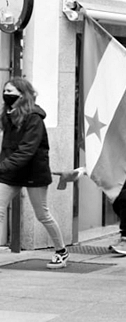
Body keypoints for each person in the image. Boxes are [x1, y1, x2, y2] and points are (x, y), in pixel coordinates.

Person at [0, 78, 68, 269]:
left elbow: (26, 150)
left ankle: (61, 251)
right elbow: (7, 148)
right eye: (5, 91)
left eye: (11, 91)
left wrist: (2, 167)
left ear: (23, 95)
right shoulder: (8, 115)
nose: (7, 95)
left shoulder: (33, 118)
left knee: (42, 214)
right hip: (11, 172)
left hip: (33, 171)